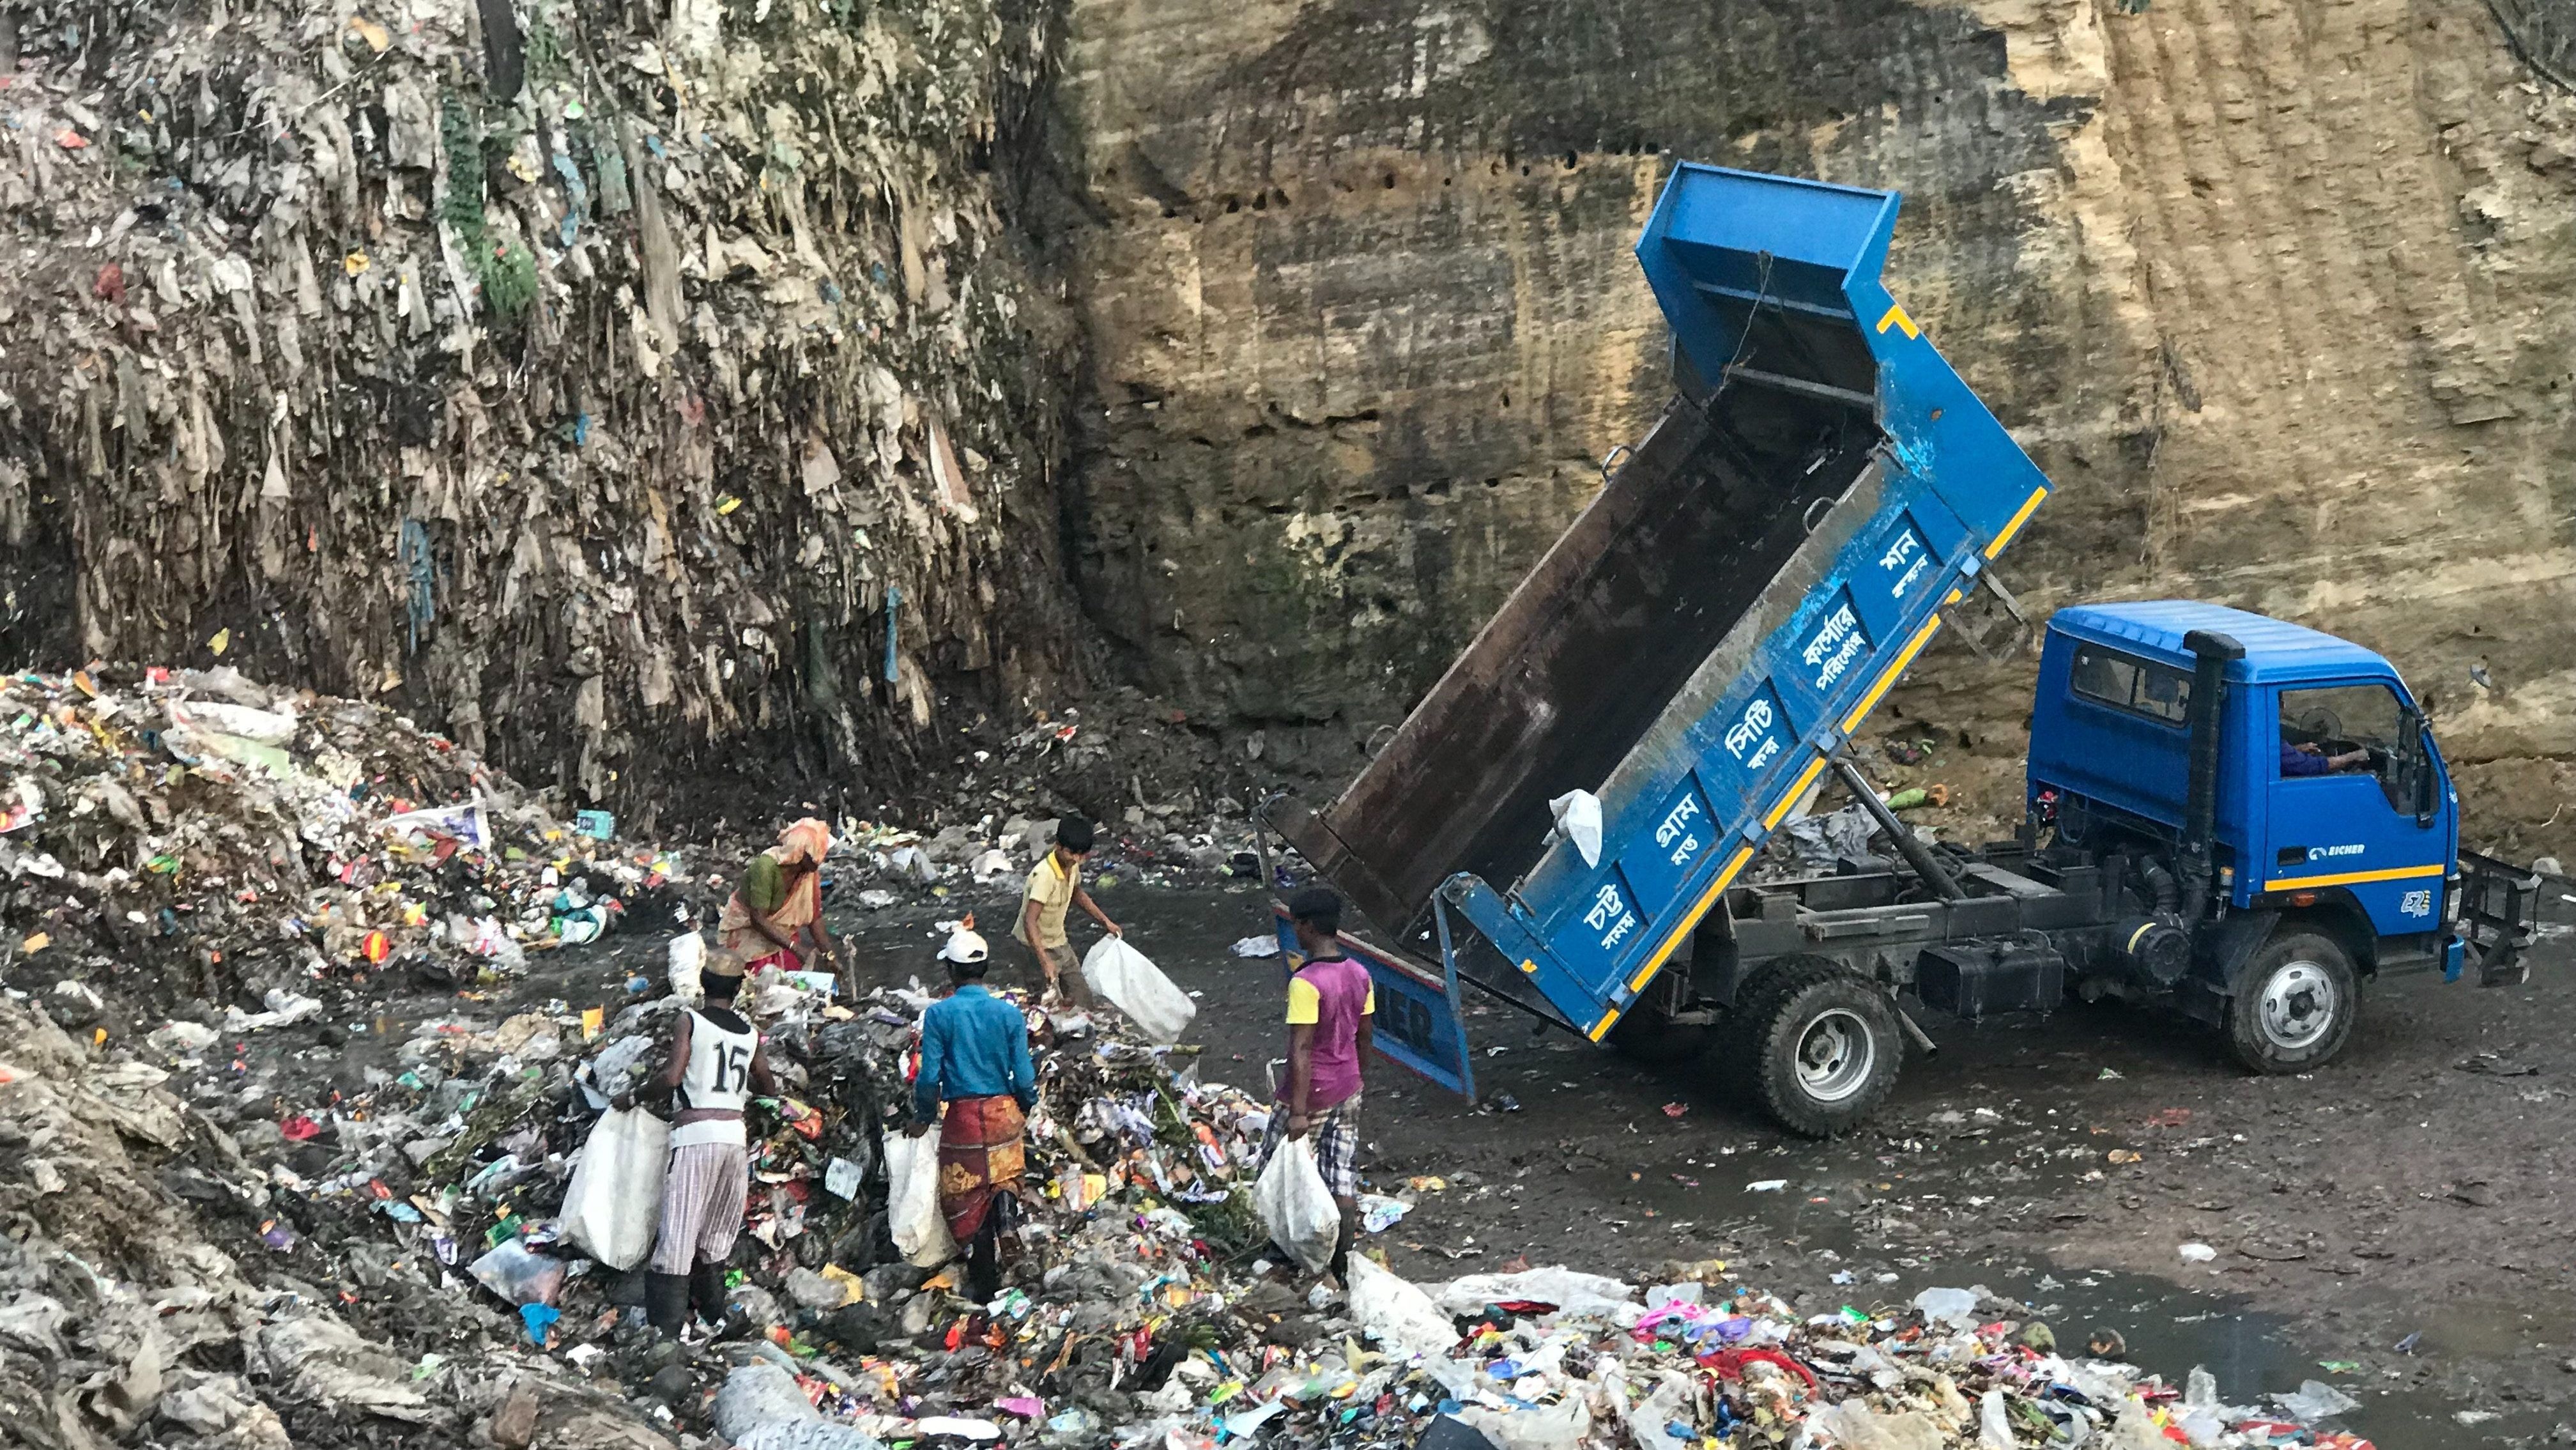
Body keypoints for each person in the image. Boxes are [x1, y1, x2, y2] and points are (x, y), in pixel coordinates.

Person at [627, 962, 776, 1337]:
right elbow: (769, 1087)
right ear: (738, 990)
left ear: (702, 983)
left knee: (679, 1228)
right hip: (734, 1136)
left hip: (696, 1136)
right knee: (716, 1229)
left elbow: (671, 1077)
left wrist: (633, 1096)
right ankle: (714, 1314)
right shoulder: (749, 1033)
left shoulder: (690, 1021)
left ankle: (668, 1330)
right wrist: (733, 1095)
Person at [908, 925, 1036, 1299]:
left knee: (967, 1197)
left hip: (963, 1116)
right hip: (1003, 1110)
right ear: (986, 969)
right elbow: (1025, 1076)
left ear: (951, 970)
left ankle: (985, 1286)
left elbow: (929, 1077)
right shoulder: (1009, 1015)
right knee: (1004, 1178)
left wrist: (922, 1117)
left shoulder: (939, 1015)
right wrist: (1023, 1107)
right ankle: (1008, 1222)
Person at [1255, 886, 1373, 1282]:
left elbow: (1301, 1048)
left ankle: (1286, 1254)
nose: (1295, 934)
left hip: (1311, 1093)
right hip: (1348, 1086)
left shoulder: (1306, 982)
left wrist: (1299, 1111)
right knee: (1340, 1172)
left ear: (1307, 927)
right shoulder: (1359, 973)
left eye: (1296, 926)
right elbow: (1364, 1035)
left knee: (1278, 1169)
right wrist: (1358, 1079)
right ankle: (1342, 1260)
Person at [715, 818, 843, 991]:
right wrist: (795, 948)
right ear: (799, 852)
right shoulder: (766, 868)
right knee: (759, 986)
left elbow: (815, 917)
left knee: (794, 986)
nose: (819, 860)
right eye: (815, 855)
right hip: (749, 932)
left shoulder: (808, 873)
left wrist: (830, 957)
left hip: (781, 934)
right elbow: (758, 919)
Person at [1013, 816, 1119, 1008]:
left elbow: (1077, 893)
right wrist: (1044, 960)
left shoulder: (1072, 866)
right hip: (1035, 948)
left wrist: (1106, 922)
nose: (1077, 859)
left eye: (1082, 855)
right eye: (1072, 853)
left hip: (1059, 942)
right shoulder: (1045, 875)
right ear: (1058, 846)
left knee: (1082, 999)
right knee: (1047, 1006)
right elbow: (1030, 920)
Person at [2281, 739, 2370, 776]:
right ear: (2282, 705)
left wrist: (2296, 749)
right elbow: (2314, 765)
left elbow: (2277, 752)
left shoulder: (2270, 738)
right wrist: (2353, 756)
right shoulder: (2282, 750)